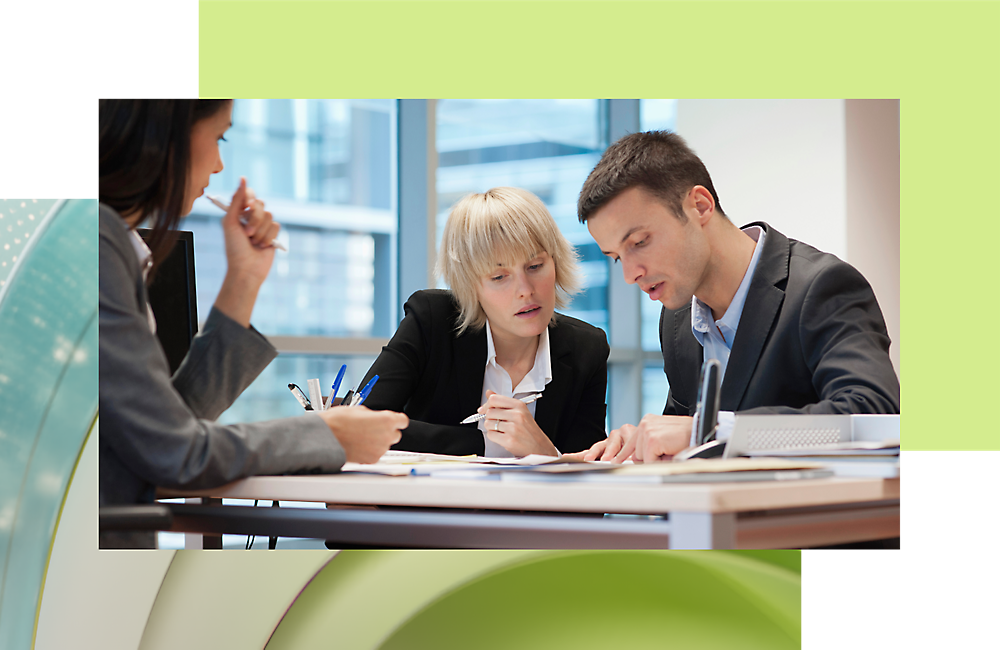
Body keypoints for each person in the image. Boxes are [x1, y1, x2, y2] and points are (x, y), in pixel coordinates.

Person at [98, 98, 408, 548]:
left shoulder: (111, 242)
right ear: (166, 135)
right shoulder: (98, 244)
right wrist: (327, 433)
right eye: (219, 137)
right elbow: (175, 452)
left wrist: (243, 279)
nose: (221, 165)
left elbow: (171, 427)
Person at [568, 130, 900, 463]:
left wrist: (709, 432)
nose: (630, 275)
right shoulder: (677, 318)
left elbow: (876, 412)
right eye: (615, 257)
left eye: (639, 242)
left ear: (699, 206)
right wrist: (640, 443)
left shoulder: (821, 286)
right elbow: (683, 435)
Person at [357, 187, 609, 457]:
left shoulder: (587, 348)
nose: (525, 290)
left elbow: (589, 465)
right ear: (470, 286)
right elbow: (361, 425)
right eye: (499, 277)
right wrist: (485, 443)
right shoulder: (432, 320)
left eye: (535, 266)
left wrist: (544, 452)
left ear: (556, 263)